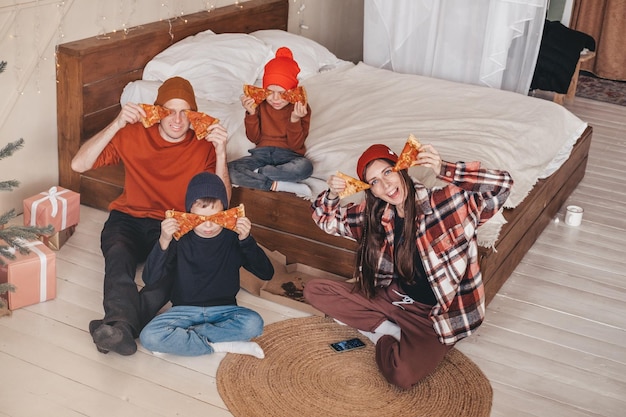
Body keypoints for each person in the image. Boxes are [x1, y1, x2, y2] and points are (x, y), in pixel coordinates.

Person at [304, 143, 513, 389]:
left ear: (401, 168)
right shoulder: (375, 216)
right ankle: (386, 331)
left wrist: (444, 168)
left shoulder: (447, 203)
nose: (385, 185)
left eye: (387, 172)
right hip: (393, 298)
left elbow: (502, 185)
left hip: (433, 316)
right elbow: (324, 218)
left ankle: (383, 331)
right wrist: (331, 193)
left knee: (401, 375)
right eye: (374, 182)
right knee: (314, 291)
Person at [71, 76, 230, 356]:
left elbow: (223, 203)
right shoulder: (131, 133)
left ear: (194, 115)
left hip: (174, 224)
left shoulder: (204, 145)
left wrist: (221, 152)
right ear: (157, 112)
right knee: (118, 256)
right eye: (169, 111)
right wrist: (117, 122)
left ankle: (119, 328)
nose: (177, 120)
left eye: (185, 112)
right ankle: (123, 326)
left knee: (172, 274)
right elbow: (78, 163)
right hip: (128, 217)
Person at [139, 172, 273, 358]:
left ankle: (184, 340)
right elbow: (150, 278)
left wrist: (246, 240)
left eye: (215, 218)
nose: (208, 226)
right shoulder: (179, 239)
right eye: (200, 219)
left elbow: (266, 273)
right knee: (148, 336)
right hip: (183, 311)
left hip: (225, 310)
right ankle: (222, 345)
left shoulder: (233, 237)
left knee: (254, 323)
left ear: (225, 212)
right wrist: (163, 240)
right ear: (188, 214)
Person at [228, 47, 313, 197]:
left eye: (281, 93)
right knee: (228, 169)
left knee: (305, 168)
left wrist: (295, 119)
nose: (275, 99)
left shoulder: (301, 108)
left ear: (293, 90)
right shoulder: (260, 105)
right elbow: (254, 138)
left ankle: (259, 174)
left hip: (289, 156)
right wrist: (251, 113)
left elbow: (296, 145)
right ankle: (275, 184)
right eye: (270, 92)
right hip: (261, 155)